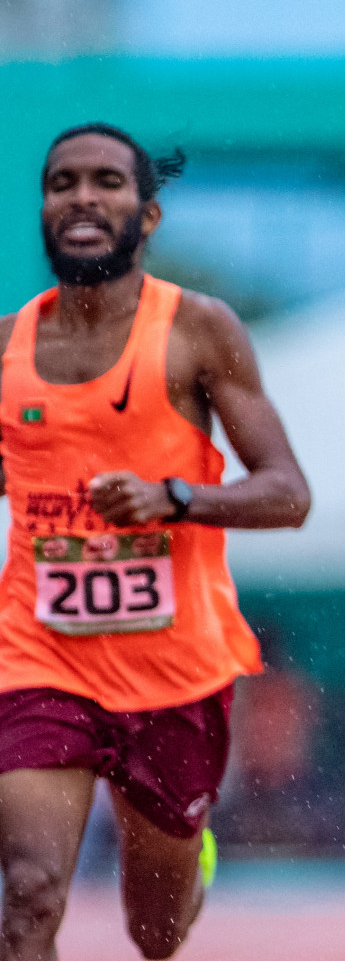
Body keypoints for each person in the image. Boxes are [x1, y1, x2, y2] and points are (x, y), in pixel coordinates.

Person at [0, 124, 310, 961]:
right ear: (43, 206)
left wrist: (173, 499)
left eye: (107, 181)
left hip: (175, 667)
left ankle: (189, 854)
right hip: (39, 658)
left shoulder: (197, 330)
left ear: (149, 212)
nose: (82, 198)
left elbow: (289, 493)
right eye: (62, 183)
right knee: (28, 893)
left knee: (155, 930)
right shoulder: (6, 346)